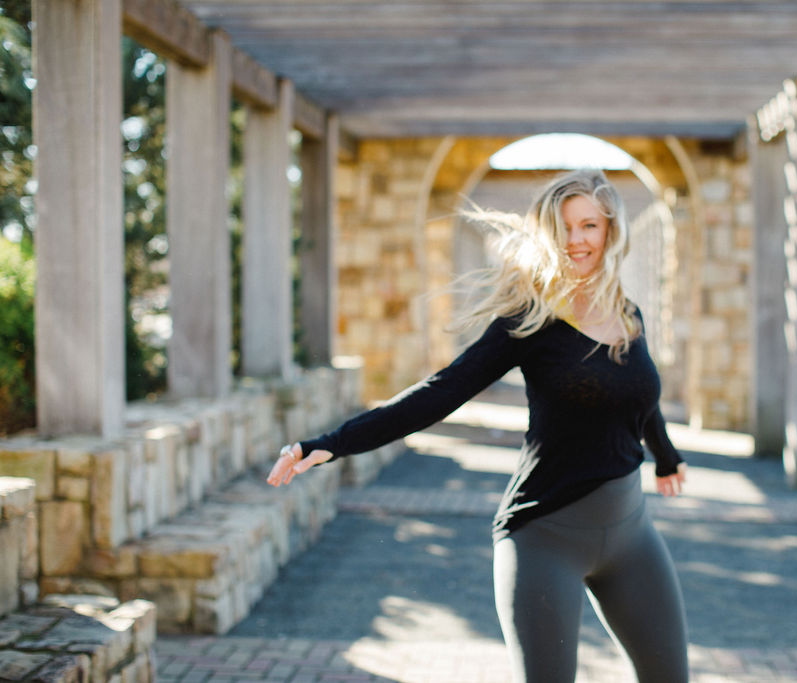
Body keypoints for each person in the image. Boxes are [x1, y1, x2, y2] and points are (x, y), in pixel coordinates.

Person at [267, 169, 689, 682]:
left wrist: (666, 458)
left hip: (631, 536)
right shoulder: (529, 320)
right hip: (544, 539)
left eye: (588, 226)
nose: (576, 240)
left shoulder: (628, 314)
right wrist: (332, 444)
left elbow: (639, 398)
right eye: (564, 228)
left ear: (610, 231)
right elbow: (440, 392)